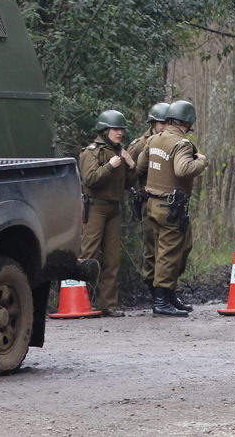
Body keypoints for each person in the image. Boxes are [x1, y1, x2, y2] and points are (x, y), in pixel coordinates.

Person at [137, 100, 207, 317]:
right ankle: (161, 301)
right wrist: (202, 162)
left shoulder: (154, 139)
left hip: (151, 204)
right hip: (170, 207)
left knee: (159, 251)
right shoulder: (181, 144)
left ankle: (166, 296)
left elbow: (141, 165)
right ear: (189, 121)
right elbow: (183, 169)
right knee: (169, 253)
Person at [78, 110, 136, 317]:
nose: (119, 133)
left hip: (114, 208)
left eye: (121, 129)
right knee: (89, 255)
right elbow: (90, 179)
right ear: (104, 130)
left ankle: (108, 304)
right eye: (115, 129)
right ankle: (79, 301)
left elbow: (128, 184)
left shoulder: (120, 153)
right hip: (95, 207)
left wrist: (131, 165)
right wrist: (110, 166)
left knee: (112, 259)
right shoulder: (92, 152)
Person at [127, 102, 170, 302]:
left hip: (168, 203)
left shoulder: (172, 142)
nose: (165, 127)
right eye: (162, 123)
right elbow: (128, 174)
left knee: (170, 250)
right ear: (153, 123)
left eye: (168, 123)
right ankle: (155, 294)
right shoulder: (140, 145)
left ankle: (167, 293)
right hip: (148, 202)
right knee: (151, 250)